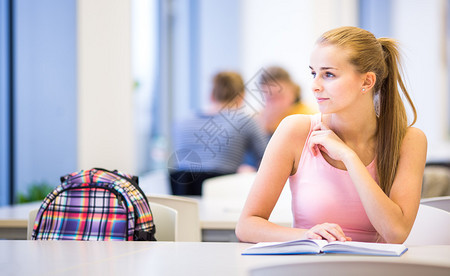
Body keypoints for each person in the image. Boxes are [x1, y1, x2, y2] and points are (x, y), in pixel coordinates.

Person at [235, 26, 427, 244]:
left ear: (367, 82)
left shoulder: (409, 141)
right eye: (313, 73)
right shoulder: (296, 130)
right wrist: (306, 236)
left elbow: (396, 234)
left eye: (328, 74)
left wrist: (349, 157)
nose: (314, 86)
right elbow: (247, 226)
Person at [169, 71, 268, 195]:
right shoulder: (244, 120)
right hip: (222, 195)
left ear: (211, 95)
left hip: (182, 194)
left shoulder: (181, 121)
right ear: (242, 96)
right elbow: (267, 160)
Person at [258, 66, 316, 136]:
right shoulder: (262, 118)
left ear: (293, 92)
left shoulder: (308, 116)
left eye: (279, 97)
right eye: (270, 99)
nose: (276, 104)